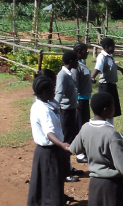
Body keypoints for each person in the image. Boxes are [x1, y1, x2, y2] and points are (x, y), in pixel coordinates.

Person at [27, 74, 75, 206]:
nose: (54, 92)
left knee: (41, 196)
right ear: (45, 91)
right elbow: (49, 133)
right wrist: (63, 145)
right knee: (49, 198)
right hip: (49, 154)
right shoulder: (45, 110)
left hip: (41, 153)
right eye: (52, 90)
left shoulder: (37, 105)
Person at [54, 51, 84, 183]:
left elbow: (69, 93)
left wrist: (75, 104)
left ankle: (69, 167)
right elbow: (59, 93)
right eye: (77, 60)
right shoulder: (62, 76)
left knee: (71, 140)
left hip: (71, 110)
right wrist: (55, 108)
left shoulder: (68, 73)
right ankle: (65, 172)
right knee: (67, 142)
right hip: (65, 112)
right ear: (71, 61)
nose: (78, 62)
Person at [91, 38, 123, 125]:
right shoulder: (102, 57)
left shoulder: (110, 56)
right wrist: (93, 77)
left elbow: (114, 66)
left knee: (111, 109)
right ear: (106, 47)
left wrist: (122, 70)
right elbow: (98, 67)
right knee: (105, 109)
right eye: (113, 47)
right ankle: (104, 127)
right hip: (105, 86)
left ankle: (111, 127)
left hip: (112, 86)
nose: (114, 49)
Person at [73, 42, 93, 164]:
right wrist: (76, 101)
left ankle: (84, 149)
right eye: (86, 51)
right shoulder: (76, 67)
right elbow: (74, 85)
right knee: (80, 126)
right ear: (79, 52)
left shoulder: (82, 64)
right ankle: (79, 153)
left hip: (85, 99)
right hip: (80, 100)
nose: (88, 53)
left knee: (84, 125)